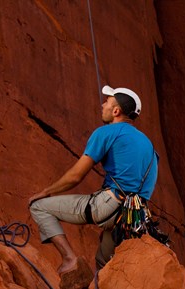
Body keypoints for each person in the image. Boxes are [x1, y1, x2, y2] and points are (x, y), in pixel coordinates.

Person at [29, 85, 158, 273]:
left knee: (39, 207)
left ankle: (69, 259)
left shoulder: (105, 132)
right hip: (134, 216)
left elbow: (75, 176)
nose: (102, 105)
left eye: (107, 102)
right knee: (103, 264)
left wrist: (45, 192)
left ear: (116, 111)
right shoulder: (149, 145)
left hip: (109, 205)